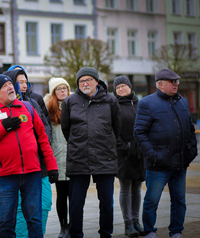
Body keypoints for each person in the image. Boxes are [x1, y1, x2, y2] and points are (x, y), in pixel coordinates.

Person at [0, 70, 59, 238]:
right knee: (6, 223)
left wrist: (52, 166)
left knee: (35, 220)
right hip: (5, 177)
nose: (10, 87)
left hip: (32, 174)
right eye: (5, 86)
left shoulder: (27, 107)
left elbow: (43, 138)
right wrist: (2, 128)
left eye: (10, 84)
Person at [133, 69, 198, 238]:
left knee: (179, 201)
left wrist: (192, 150)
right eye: (172, 81)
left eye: (177, 81)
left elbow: (190, 128)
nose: (176, 84)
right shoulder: (147, 103)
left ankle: (176, 231)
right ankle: (149, 231)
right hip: (158, 164)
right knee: (152, 201)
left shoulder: (182, 102)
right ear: (160, 84)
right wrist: (153, 155)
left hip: (181, 162)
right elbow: (139, 133)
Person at [61, 67, 121, 238]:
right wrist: (79, 143)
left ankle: (105, 234)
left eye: (88, 80)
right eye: (81, 81)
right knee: (76, 203)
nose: (85, 83)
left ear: (96, 81)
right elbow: (67, 129)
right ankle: (76, 234)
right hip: (78, 158)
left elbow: (116, 128)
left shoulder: (110, 101)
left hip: (105, 157)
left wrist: (105, 142)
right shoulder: (70, 101)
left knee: (107, 203)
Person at [3, 69, 53, 237]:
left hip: (40, 162)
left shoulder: (34, 102)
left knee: (44, 204)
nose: (24, 85)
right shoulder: (1, 105)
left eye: (26, 82)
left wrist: (39, 146)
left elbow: (46, 127)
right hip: (17, 167)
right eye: (20, 82)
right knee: (20, 209)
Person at [113, 76, 145, 237]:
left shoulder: (139, 104)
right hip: (123, 153)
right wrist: (123, 146)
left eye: (123, 86)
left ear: (130, 87)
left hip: (140, 153)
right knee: (125, 188)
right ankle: (128, 223)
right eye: (118, 88)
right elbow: (112, 130)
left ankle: (136, 220)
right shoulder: (115, 105)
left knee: (137, 188)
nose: (121, 89)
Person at [44, 77, 71, 238]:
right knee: (61, 195)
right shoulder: (49, 108)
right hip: (57, 157)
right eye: (59, 88)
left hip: (74, 157)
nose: (62, 91)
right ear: (53, 92)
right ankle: (63, 226)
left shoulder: (75, 106)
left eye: (65, 88)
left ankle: (73, 225)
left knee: (75, 196)